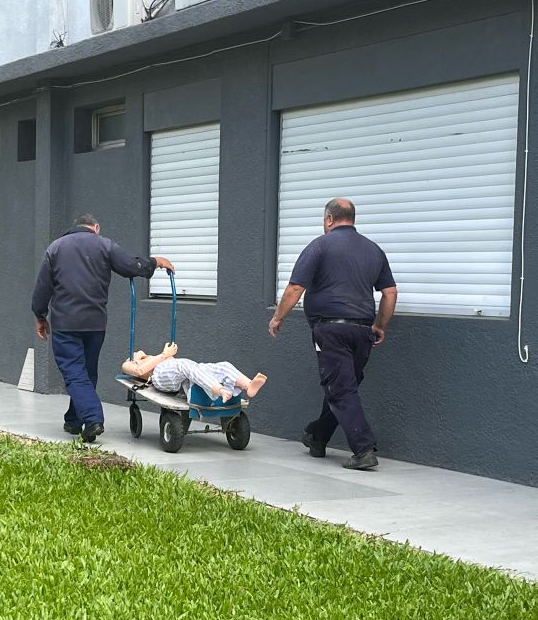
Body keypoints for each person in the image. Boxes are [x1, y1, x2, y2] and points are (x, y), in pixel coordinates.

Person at [268, 198, 397, 470]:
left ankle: (363, 450)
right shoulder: (374, 250)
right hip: (363, 330)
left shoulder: (320, 245)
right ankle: (317, 436)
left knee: (340, 389)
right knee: (343, 386)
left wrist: (279, 317)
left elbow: (295, 288)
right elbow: (390, 292)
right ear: (352, 218)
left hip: (331, 329)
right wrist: (380, 325)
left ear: (329, 219)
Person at [32, 214, 174, 442]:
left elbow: (42, 288)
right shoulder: (105, 244)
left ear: (75, 227)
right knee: (87, 372)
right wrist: (155, 262)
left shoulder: (56, 248)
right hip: (96, 324)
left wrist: (40, 315)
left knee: (74, 372)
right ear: (96, 227)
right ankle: (74, 420)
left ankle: (93, 419)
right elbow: (130, 266)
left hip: (66, 323)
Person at [122, 342, 268, 402]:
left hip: (179, 372)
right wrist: (165, 355)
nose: (138, 352)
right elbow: (139, 370)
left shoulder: (152, 356)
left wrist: (167, 356)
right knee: (184, 365)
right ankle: (221, 390)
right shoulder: (129, 363)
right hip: (158, 376)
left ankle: (248, 386)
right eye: (136, 353)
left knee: (222, 365)